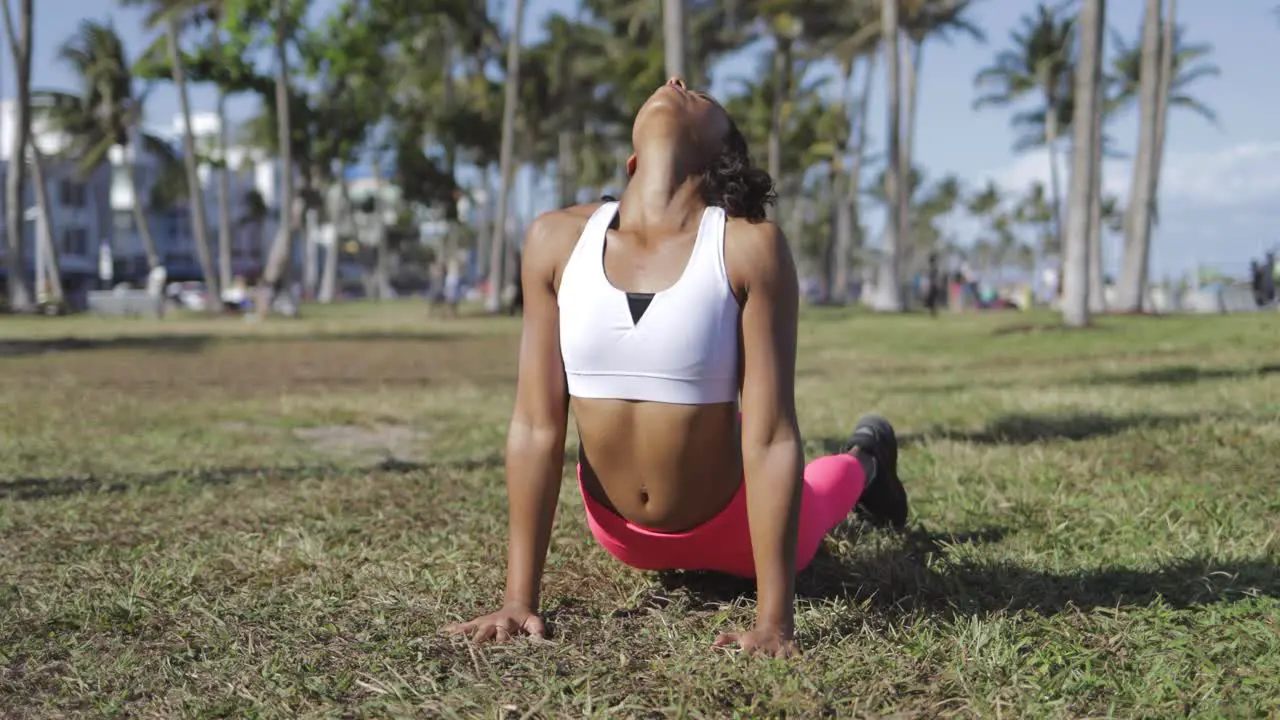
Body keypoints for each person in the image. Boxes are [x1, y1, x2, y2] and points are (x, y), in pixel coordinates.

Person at [443, 77, 909, 658]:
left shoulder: (747, 247)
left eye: (700, 94)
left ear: (722, 154)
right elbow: (537, 425)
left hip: (733, 524)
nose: (675, 82)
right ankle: (861, 461)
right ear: (633, 158)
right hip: (622, 535)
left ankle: (868, 459)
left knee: (820, 495)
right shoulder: (555, 240)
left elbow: (769, 437)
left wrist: (774, 621)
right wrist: (518, 599)